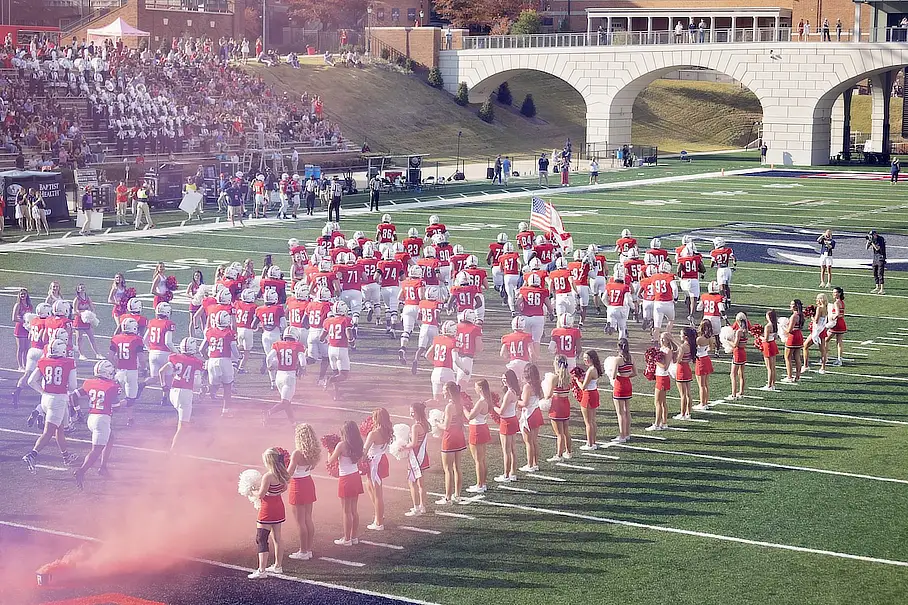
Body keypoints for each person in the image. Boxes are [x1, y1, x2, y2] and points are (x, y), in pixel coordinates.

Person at [22, 339, 80, 472]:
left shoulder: (43, 361)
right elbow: (73, 386)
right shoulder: (68, 362)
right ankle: (32, 454)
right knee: (48, 432)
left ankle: (66, 457)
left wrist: (43, 391)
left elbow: (31, 381)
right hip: (58, 400)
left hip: (46, 398)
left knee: (59, 429)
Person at [72, 360, 120, 488]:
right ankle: (81, 471)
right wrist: (127, 401)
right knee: (96, 450)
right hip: (102, 420)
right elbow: (116, 407)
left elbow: (74, 396)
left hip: (91, 417)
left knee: (110, 438)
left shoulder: (89, 383)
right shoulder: (112, 386)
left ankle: (103, 467)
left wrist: (77, 412)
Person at [248, 447, 290, 579]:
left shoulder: (268, 476)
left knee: (261, 538)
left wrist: (250, 490)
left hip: (267, 509)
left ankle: (261, 571)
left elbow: (260, 495)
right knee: (277, 538)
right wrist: (274, 492)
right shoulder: (283, 473)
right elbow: (283, 488)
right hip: (279, 507)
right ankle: (278, 566)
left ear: (268, 461)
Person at [327, 420, 364, 546]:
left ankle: (346, 539)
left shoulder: (341, 445)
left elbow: (330, 461)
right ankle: (354, 537)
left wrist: (329, 450)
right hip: (355, 476)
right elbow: (360, 460)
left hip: (346, 479)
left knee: (346, 511)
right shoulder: (359, 443)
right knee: (354, 510)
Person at [287, 423, 320, 561]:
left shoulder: (297, 453)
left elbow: (289, 474)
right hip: (308, 483)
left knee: (300, 521)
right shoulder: (314, 451)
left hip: (298, 486)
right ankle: (308, 549)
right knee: (308, 518)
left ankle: (303, 551)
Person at [436, 381, 466, 504]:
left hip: (449, 438)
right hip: (459, 436)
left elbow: (446, 426)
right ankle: (457, 495)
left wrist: (437, 423)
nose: (442, 392)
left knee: (447, 469)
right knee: (457, 467)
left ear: (448, 392)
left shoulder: (449, 406)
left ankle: (447, 497)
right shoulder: (459, 403)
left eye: (444, 389)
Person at [362, 408, 392, 531]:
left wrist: (359, 458)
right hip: (381, 459)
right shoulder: (387, 430)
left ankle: (379, 523)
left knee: (377, 493)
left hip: (375, 463)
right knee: (370, 487)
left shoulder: (373, 434)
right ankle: (379, 515)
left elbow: (365, 450)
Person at [404, 402, 431, 515]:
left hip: (415, 458)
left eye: (412, 412)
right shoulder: (425, 424)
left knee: (412, 483)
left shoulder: (415, 426)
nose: (411, 414)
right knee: (421, 484)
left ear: (417, 413)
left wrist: (403, 447)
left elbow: (414, 443)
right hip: (423, 456)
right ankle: (422, 506)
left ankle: (416, 508)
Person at [465, 380, 491, 493]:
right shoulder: (487, 400)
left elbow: (470, 416)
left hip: (476, 429)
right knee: (482, 459)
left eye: (475, 386)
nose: (474, 388)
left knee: (478, 460)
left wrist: (463, 409)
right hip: (483, 427)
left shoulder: (481, 402)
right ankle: (483, 483)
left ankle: (479, 485)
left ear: (480, 388)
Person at [545, 355, 573, 460]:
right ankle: (569, 452)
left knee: (559, 433)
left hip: (557, 405)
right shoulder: (568, 376)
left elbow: (548, 395)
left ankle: (559, 455)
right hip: (566, 404)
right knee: (566, 431)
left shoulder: (554, 378)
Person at [517, 364, 544, 472]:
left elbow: (525, 403)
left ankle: (530, 465)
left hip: (529, 414)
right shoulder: (538, 384)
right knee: (534, 441)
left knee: (528, 442)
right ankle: (535, 463)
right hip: (536, 412)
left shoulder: (527, 386)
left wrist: (515, 401)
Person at [576, 350, 603, 449]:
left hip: (588, 394)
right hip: (594, 393)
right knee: (592, 421)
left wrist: (576, 380)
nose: (585, 360)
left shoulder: (591, 370)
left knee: (588, 422)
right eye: (584, 358)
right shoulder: (595, 368)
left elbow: (583, 387)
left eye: (586, 358)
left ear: (592, 359)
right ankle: (593, 442)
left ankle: (590, 444)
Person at [649, 331, 675, 431]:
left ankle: (657, 424)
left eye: (663, 339)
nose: (661, 340)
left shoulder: (668, 351)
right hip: (660, 377)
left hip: (663, 377)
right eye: (660, 338)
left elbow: (665, 367)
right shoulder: (661, 349)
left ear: (668, 340)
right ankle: (664, 423)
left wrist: (655, 361)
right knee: (662, 402)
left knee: (658, 402)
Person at [72, 284, 101, 359]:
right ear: (78, 290)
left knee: (92, 337)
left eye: (83, 288)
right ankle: (81, 354)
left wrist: (92, 315)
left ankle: (97, 354)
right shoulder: (77, 299)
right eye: (81, 288)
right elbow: (74, 311)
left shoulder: (88, 298)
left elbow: (92, 308)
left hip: (87, 321)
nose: (82, 289)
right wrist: (84, 313)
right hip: (79, 321)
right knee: (79, 338)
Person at [803, 293, 829, 374]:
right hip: (822, 330)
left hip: (817, 331)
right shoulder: (826, 307)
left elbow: (816, 321)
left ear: (821, 300)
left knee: (805, 346)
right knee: (823, 350)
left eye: (818, 299)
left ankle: (806, 365)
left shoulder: (819, 308)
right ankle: (823, 368)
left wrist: (811, 316)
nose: (816, 300)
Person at [692, 321, 714, 411]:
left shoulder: (698, 339)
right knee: (706, 384)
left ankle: (702, 403)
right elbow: (711, 348)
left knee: (701, 385)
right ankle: (706, 402)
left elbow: (693, 348)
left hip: (700, 360)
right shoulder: (710, 338)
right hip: (706, 358)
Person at [783, 299, 804, 384]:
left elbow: (790, 330)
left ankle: (789, 376)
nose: (790, 305)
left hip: (793, 337)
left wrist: (782, 328)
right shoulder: (800, 315)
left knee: (787, 357)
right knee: (797, 357)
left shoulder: (794, 316)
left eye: (791, 304)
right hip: (799, 335)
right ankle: (798, 376)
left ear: (795, 306)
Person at [12, 288, 33, 371]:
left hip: (27, 329)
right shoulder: (18, 305)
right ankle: (20, 366)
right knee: (21, 348)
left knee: (27, 348)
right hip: (20, 328)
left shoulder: (30, 305)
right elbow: (13, 318)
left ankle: (25, 364)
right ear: (19, 295)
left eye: (24, 294)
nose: (23, 296)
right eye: (21, 294)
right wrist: (24, 321)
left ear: (27, 295)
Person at [729, 312, 749, 399]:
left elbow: (735, 345)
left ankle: (733, 394)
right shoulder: (746, 331)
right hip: (743, 352)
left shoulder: (739, 332)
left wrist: (728, 341)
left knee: (733, 374)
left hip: (737, 353)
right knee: (741, 373)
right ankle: (741, 392)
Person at [827, 286, 847, 366]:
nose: (833, 294)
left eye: (835, 292)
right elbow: (842, 314)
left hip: (836, 323)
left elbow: (838, 314)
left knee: (825, 340)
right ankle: (839, 359)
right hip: (842, 322)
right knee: (839, 342)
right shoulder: (842, 302)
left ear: (839, 293)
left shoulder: (836, 303)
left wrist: (832, 318)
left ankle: (825, 357)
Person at [761, 310, 779, 391]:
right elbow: (775, 337)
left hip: (768, 345)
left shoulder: (768, 326)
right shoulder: (775, 325)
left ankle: (769, 385)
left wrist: (758, 336)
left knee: (769, 367)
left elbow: (766, 339)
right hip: (773, 344)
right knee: (773, 367)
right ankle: (773, 384)